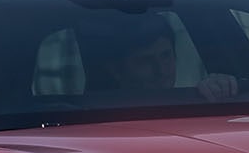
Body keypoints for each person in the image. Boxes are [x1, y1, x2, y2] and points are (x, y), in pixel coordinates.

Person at [91, 14, 238, 101]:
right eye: (145, 60)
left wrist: (220, 89)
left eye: (166, 56)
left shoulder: (197, 102)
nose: (161, 70)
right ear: (116, 70)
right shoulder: (96, 120)